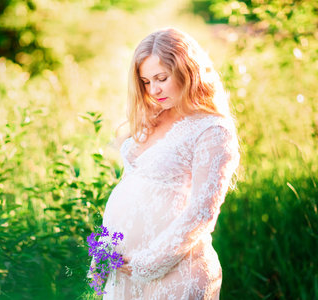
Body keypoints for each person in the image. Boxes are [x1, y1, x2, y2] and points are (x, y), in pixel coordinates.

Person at [99, 27, 240, 299]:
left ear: (187, 71)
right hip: (124, 273)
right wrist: (105, 252)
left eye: (161, 78)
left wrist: (148, 263)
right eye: (146, 81)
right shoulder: (153, 117)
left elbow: (202, 212)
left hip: (174, 274)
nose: (154, 89)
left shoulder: (212, 129)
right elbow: (132, 187)